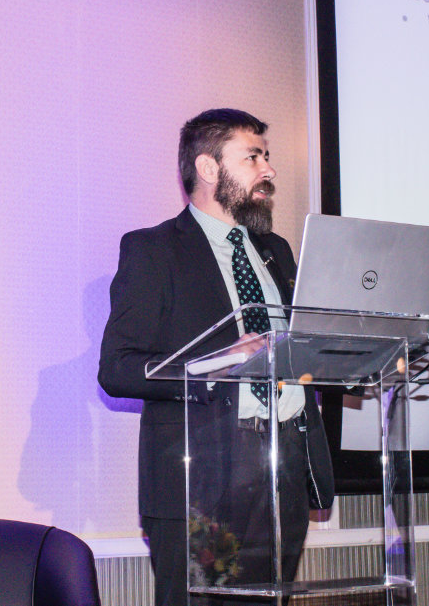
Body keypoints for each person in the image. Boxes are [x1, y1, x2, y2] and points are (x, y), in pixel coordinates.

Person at [98, 108, 334, 606]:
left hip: (284, 464)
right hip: (203, 475)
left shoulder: (276, 251)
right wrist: (216, 362)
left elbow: (298, 349)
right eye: (253, 157)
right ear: (208, 168)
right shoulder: (155, 250)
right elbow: (118, 367)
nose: (269, 169)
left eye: (266, 157)